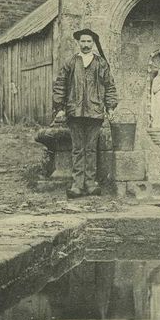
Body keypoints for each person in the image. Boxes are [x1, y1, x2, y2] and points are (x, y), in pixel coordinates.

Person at [52, 28, 118, 198]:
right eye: (83, 41)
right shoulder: (71, 63)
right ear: (78, 43)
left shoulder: (101, 63)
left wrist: (110, 107)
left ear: (93, 43)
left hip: (95, 112)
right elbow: (60, 85)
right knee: (77, 149)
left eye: (89, 41)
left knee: (90, 149)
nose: (86, 44)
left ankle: (90, 183)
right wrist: (59, 108)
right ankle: (77, 184)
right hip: (74, 112)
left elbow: (109, 86)